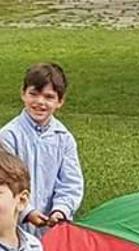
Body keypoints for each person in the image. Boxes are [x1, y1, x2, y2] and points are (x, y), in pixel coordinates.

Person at [0, 63, 84, 237]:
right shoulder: (8, 136)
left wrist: (61, 210)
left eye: (49, 97)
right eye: (33, 94)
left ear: (60, 101)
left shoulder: (64, 139)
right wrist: (27, 212)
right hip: (13, 230)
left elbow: (71, 183)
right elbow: (6, 184)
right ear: (23, 94)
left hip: (52, 232)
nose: (40, 102)